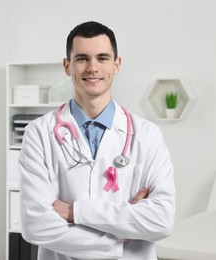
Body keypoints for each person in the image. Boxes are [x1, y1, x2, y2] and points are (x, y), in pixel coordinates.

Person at [19, 21, 176, 260]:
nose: (93, 68)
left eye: (102, 58)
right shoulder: (38, 133)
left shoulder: (147, 135)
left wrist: (74, 212)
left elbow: (162, 220)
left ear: (117, 65)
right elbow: (36, 224)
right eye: (82, 58)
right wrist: (118, 242)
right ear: (66, 66)